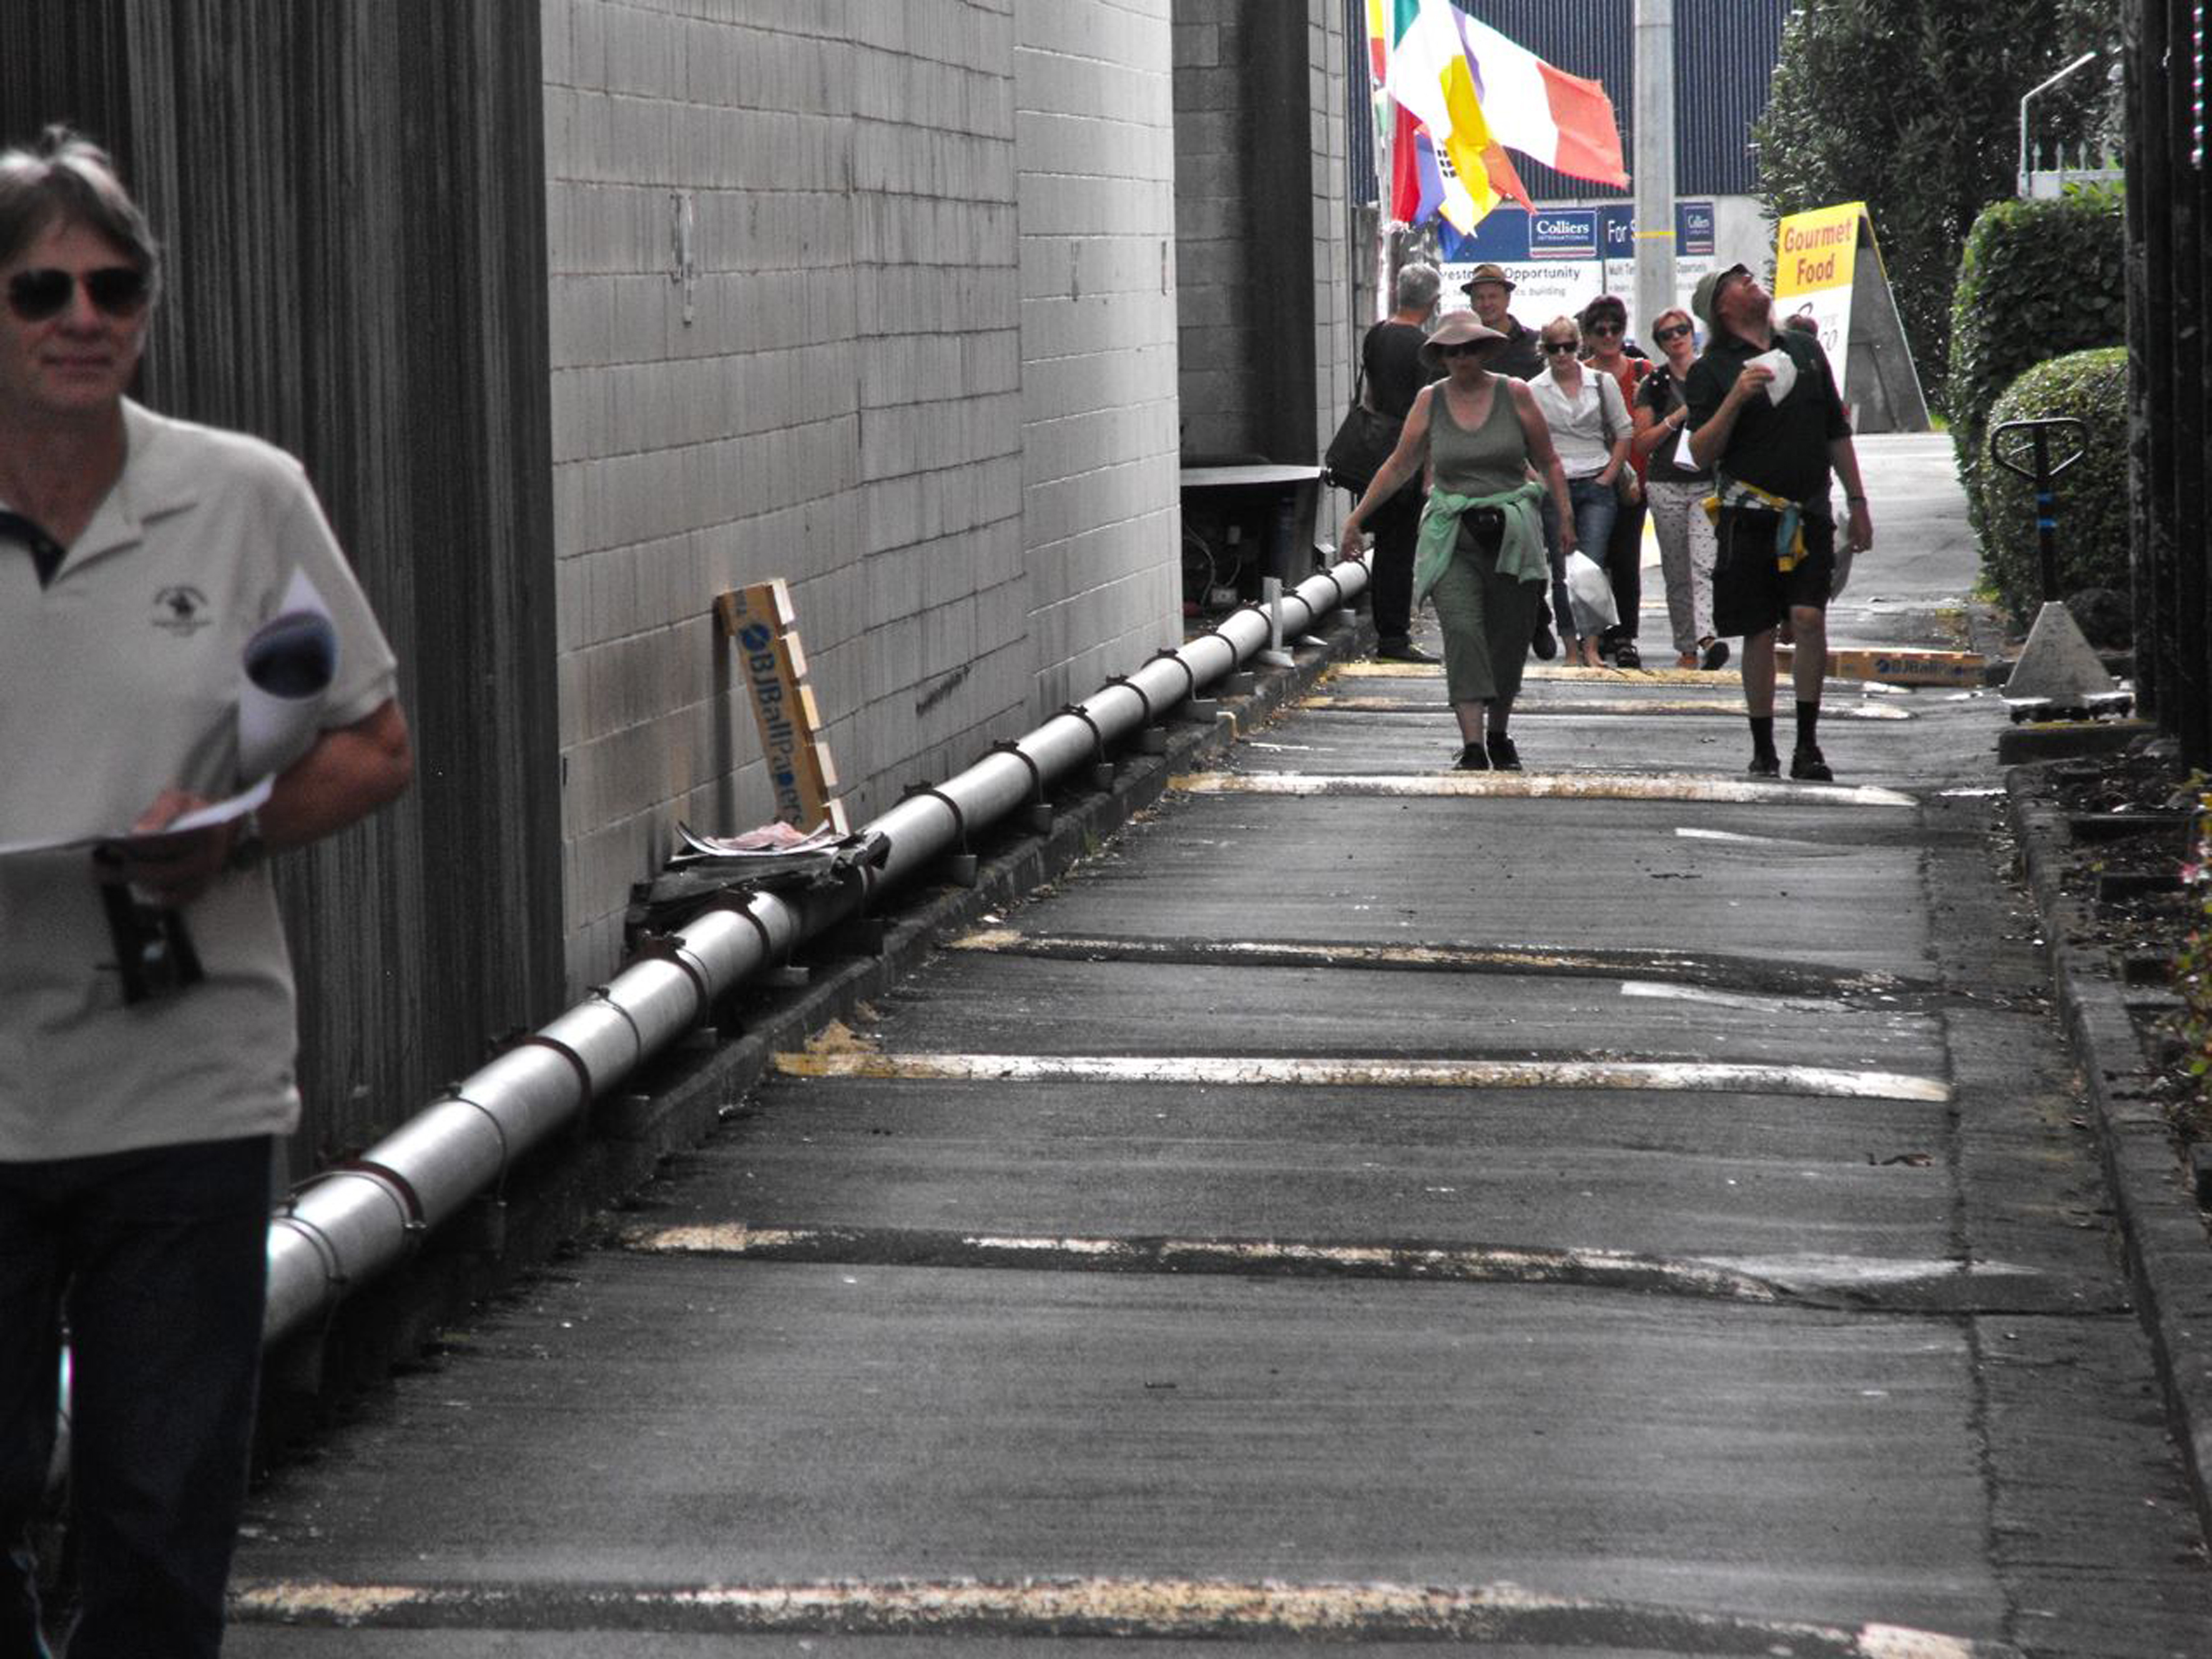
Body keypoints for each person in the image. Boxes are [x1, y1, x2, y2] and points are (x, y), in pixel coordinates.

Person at [0, 127, 413, 1658]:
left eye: (114, 287)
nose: (80, 316)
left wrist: (229, 837)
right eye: (40, 288)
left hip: (182, 1072)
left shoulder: (242, 501)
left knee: (159, 1523)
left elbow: (370, 740)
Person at [1337, 311, 1575, 771]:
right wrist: (1357, 519)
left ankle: (1498, 732)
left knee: (1507, 637)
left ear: (1485, 350)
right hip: (1452, 533)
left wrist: (1563, 517)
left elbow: (1548, 461)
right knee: (1463, 631)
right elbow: (1398, 465)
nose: (1461, 358)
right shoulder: (1430, 400)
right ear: (1441, 356)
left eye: (1469, 348)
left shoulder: (1515, 393)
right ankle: (1471, 744)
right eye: (1452, 350)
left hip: (1512, 530)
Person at [1684, 261, 1872, 780]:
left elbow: (1835, 430)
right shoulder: (1712, 370)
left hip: (1808, 511)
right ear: (1722, 306)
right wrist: (1737, 397)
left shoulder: (1804, 350)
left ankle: (1807, 744)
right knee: (1758, 631)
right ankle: (1762, 745)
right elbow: (1700, 453)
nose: (1752, 281)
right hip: (1747, 518)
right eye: (1738, 280)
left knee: (1809, 619)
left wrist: (1857, 502)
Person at [1525, 315, 1632, 668]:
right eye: (1554, 348)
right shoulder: (1534, 390)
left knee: (1592, 565)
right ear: (1544, 350)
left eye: (1568, 347)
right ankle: (1571, 648)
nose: (1562, 355)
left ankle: (1592, 646)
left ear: (1578, 347)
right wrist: (1537, 479)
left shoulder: (1601, 383)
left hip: (1596, 481)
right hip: (1556, 486)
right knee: (1562, 568)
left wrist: (1609, 475)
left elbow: (1624, 432)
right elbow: (1519, 442)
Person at [1631, 306, 1729, 671]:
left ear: (1693, 333)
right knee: (1676, 570)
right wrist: (1677, 416)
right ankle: (1687, 647)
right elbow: (1641, 443)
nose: (1676, 338)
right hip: (1666, 484)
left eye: (1682, 330)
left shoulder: (1713, 376)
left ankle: (1707, 637)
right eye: (1667, 334)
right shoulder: (1653, 385)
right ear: (1659, 343)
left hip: (1706, 483)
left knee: (1704, 564)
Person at [1359, 262, 1443, 663]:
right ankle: (1394, 638)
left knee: (1386, 546)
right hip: (1404, 457)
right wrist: (1427, 471)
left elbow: (1372, 397)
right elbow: (1424, 417)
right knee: (1399, 550)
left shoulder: (1377, 335)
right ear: (1433, 302)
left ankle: (1388, 632)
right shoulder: (1424, 348)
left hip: (1374, 450)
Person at [1578, 293, 1649, 667]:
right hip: (1590, 478)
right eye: (1600, 330)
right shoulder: (1579, 374)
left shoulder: (1642, 371)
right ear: (1587, 335)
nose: (1608, 336)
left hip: (1633, 481)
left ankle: (1624, 636)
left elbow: (1663, 422)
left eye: (1615, 329)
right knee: (1592, 558)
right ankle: (1595, 632)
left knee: (1625, 559)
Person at [1458, 262, 1543, 380]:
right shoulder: (1458, 348)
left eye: (1493, 296)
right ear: (1471, 303)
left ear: (1508, 299)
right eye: (1480, 297)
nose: (1486, 304)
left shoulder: (1535, 343)